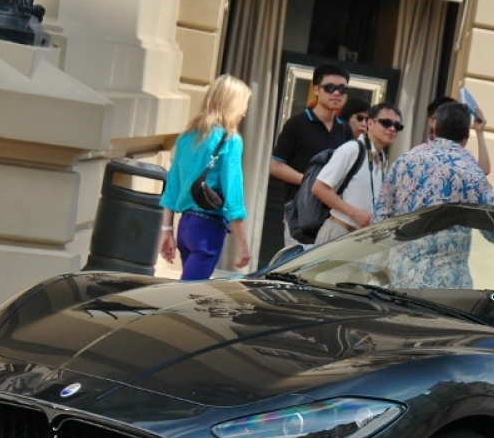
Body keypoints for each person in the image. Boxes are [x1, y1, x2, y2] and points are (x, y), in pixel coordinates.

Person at [377, 101, 494, 289]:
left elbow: (381, 218)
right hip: (446, 286)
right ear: (466, 135)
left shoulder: (404, 161)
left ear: (435, 127)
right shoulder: (471, 172)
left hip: (400, 277)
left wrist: (375, 268)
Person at [158, 74, 251, 279]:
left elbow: (171, 187)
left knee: (189, 293)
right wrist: (243, 244)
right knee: (188, 298)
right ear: (232, 105)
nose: (244, 113)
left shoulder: (187, 136)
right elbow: (233, 195)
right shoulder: (231, 140)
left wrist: (167, 230)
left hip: (185, 227)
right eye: (243, 105)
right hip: (208, 229)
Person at [269, 63, 352, 247]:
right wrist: (310, 181)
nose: (336, 93)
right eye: (330, 88)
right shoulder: (297, 124)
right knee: (295, 264)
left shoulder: (344, 128)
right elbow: (275, 166)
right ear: (316, 89)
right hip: (299, 209)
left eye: (342, 89)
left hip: (331, 212)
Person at [310, 102, 401, 245]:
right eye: (386, 123)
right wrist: (354, 213)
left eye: (397, 126)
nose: (392, 129)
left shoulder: (383, 158)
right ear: (370, 123)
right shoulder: (351, 149)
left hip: (362, 238)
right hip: (339, 231)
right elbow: (318, 188)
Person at [417, 95, 491, 175]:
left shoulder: (465, 154)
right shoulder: (419, 153)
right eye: (443, 117)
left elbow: (483, 172)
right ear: (432, 121)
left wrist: (479, 132)